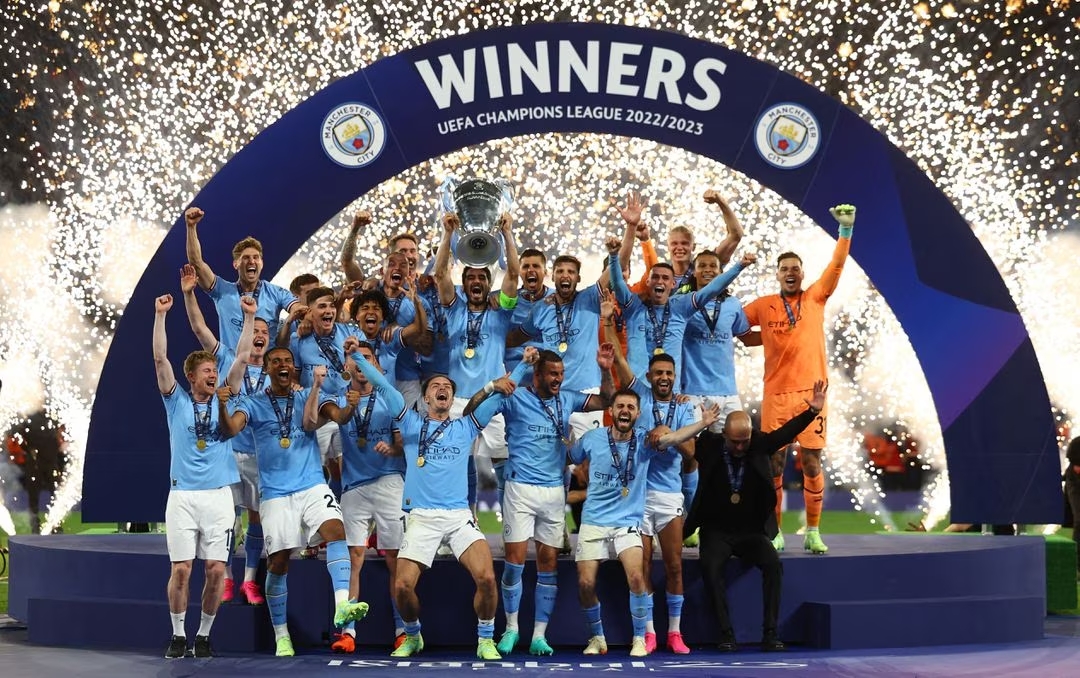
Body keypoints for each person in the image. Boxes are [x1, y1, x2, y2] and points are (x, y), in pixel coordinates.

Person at [349, 345, 539, 660]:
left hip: (458, 516)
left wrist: (521, 367)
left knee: (488, 578)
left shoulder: (466, 426)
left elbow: (500, 395)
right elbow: (382, 384)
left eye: (448, 388)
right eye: (436, 387)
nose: (442, 390)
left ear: (451, 400)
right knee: (403, 587)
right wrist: (357, 355)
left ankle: (485, 639)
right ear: (425, 398)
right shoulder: (410, 424)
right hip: (420, 518)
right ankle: (412, 636)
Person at [464, 347, 613, 656]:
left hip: (554, 493)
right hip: (519, 488)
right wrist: (496, 384)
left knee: (548, 565)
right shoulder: (515, 396)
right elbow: (471, 413)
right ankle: (511, 630)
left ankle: (538, 636)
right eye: (552, 374)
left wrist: (606, 370)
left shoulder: (568, 398)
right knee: (514, 564)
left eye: (561, 373)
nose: (558, 379)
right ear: (538, 375)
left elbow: (606, 401)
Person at [219, 353, 370, 657]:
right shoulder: (253, 402)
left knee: (336, 531)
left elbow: (337, 417)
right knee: (279, 562)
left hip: (312, 484)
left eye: (287, 360)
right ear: (268, 368)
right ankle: (281, 636)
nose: (283, 365)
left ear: (293, 368)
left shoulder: (308, 396)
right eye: (275, 361)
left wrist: (351, 405)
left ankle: (342, 606)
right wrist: (222, 405)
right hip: (275, 494)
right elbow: (231, 430)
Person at [569, 389, 720, 657]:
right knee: (585, 584)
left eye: (630, 406)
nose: (624, 410)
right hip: (594, 521)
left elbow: (675, 437)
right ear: (611, 411)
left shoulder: (645, 442)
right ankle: (597, 637)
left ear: (638, 415)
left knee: (637, 576)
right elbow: (570, 455)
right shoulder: (592, 438)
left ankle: (640, 637)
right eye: (619, 406)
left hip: (627, 521)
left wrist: (703, 424)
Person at [742, 204, 856, 554]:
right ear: (776, 275)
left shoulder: (815, 297)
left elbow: (836, 267)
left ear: (802, 274)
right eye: (784, 269)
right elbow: (739, 331)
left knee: (810, 462)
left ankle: (812, 531)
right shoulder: (762, 305)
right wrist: (770, 337)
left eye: (795, 268)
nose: (790, 273)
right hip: (776, 395)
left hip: (813, 393)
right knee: (773, 462)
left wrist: (845, 232)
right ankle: (775, 531)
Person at [685, 380, 828, 652]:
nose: (740, 448)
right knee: (710, 567)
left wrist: (812, 412)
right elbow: (681, 442)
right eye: (735, 442)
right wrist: (701, 424)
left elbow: (785, 433)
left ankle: (771, 634)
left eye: (745, 441)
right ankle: (726, 634)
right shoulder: (710, 445)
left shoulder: (758, 444)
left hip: (751, 531)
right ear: (724, 435)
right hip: (716, 530)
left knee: (773, 565)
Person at [153, 292, 249, 659]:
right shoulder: (175, 401)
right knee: (181, 570)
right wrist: (161, 315)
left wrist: (250, 316)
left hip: (218, 497)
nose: (214, 374)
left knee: (214, 570)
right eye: (207, 371)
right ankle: (178, 634)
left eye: (214, 370)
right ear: (191, 376)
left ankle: (204, 635)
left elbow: (240, 357)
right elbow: (160, 358)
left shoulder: (228, 396)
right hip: (182, 497)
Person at [604, 306, 698, 655]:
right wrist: (608, 323)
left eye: (668, 373)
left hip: (669, 495)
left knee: (674, 565)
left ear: (675, 377)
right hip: (639, 497)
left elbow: (691, 454)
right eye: (658, 372)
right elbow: (619, 364)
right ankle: (647, 632)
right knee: (641, 566)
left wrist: (668, 436)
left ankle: (675, 632)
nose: (663, 378)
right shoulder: (640, 394)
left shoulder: (687, 407)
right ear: (650, 375)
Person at [180, 263, 268, 605]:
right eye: (253, 330)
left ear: (269, 337)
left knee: (256, 516)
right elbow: (199, 327)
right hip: (230, 454)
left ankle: (249, 580)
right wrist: (189, 294)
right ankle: (228, 578)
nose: (258, 334)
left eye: (263, 330)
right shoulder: (230, 359)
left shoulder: (278, 368)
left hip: (261, 455)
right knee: (228, 517)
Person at [318, 342, 409, 653]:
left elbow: (401, 444)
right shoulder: (341, 396)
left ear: (375, 364)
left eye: (368, 359)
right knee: (353, 556)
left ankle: (402, 629)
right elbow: (338, 419)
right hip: (354, 486)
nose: (361, 365)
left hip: (388, 482)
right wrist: (351, 407)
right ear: (349, 364)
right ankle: (348, 632)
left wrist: (392, 449)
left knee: (395, 558)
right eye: (356, 360)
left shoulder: (390, 398)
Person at [434, 211, 520, 506]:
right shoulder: (453, 308)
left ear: (487, 283)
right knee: (456, 463)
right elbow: (440, 275)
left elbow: (513, 275)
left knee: (500, 464)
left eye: (481, 277)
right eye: (469, 277)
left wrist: (508, 234)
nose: (475, 281)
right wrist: (447, 234)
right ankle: (462, 519)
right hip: (458, 400)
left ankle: (510, 521)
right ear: (465, 283)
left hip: (493, 397)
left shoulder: (501, 310)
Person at [679, 248, 753, 544]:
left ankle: (730, 519)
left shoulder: (734, 305)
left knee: (735, 456)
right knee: (687, 456)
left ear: (721, 271)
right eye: (703, 266)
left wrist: (786, 336)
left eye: (713, 266)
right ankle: (689, 520)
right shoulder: (683, 304)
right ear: (694, 272)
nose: (708, 270)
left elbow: (746, 336)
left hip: (727, 393)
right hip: (692, 393)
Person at [608, 242, 754, 383]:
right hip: (638, 393)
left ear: (672, 284)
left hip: (670, 394)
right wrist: (613, 256)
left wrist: (739, 266)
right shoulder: (633, 307)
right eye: (655, 277)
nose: (660, 281)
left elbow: (712, 289)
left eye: (665, 278)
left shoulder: (681, 306)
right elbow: (618, 283)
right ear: (647, 282)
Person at [183, 206, 300, 348]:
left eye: (256, 257)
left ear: (262, 263)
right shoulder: (222, 291)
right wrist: (191, 227)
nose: (251, 261)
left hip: (266, 368)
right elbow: (196, 263)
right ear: (236, 264)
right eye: (246, 258)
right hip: (233, 367)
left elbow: (297, 308)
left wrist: (295, 315)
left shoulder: (276, 293)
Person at [668, 190, 745, 293]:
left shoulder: (706, 266)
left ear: (693, 246)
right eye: (674, 243)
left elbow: (736, 235)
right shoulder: (660, 275)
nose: (679, 247)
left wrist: (720, 201)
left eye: (685, 243)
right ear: (668, 246)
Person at [1064, 437, 1080, 577]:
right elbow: (1075, 467)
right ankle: (1076, 566)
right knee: (1079, 520)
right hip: (1075, 480)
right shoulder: (1077, 444)